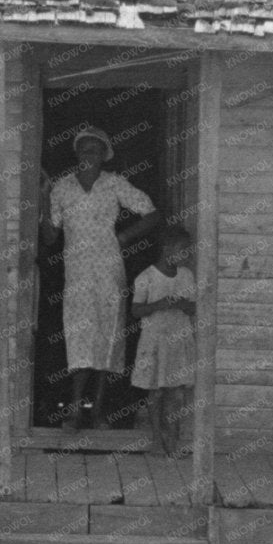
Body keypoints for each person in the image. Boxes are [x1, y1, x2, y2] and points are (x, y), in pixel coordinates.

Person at [42, 125, 159, 430]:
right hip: (77, 272)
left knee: (108, 336)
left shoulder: (114, 184)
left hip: (108, 271)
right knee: (79, 338)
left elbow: (151, 213)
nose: (88, 154)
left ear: (104, 155)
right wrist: (43, 199)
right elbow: (50, 237)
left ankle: (97, 411)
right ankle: (75, 411)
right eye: (83, 149)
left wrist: (122, 238)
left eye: (94, 150)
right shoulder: (62, 187)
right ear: (76, 153)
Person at [130, 226, 197, 456]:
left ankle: (173, 440)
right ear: (167, 249)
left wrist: (180, 303)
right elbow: (136, 310)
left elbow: (193, 307)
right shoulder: (146, 277)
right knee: (156, 391)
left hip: (179, 339)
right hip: (155, 341)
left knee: (176, 392)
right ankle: (157, 439)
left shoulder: (186, 275)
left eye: (187, 251)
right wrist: (158, 305)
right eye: (182, 250)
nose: (186, 255)